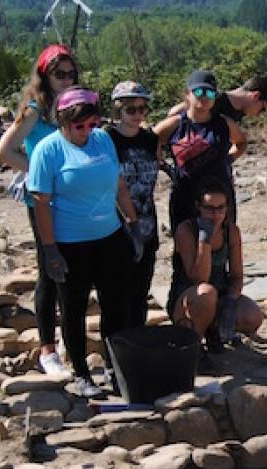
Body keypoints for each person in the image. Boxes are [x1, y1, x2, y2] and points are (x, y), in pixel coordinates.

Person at [27, 88, 142, 398]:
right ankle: (80, 371)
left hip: (109, 236)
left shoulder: (103, 140)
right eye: (79, 126)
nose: (86, 131)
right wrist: (50, 249)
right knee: (74, 308)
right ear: (63, 121)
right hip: (70, 242)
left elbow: (118, 183)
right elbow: (40, 202)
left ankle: (115, 366)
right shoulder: (48, 150)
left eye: (91, 124)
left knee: (116, 305)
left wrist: (132, 223)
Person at [0, 44, 79, 377]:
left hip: (70, 199)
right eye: (60, 74)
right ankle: (47, 349)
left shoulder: (73, 106)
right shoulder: (36, 110)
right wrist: (37, 171)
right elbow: (4, 150)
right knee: (49, 269)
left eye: (71, 74)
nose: (67, 80)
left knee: (73, 269)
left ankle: (68, 342)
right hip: (43, 199)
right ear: (45, 76)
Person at [167, 176, 264, 356]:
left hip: (219, 297)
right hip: (190, 301)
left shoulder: (231, 232)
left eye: (221, 208)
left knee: (252, 315)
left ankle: (215, 334)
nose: (216, 214)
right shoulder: (186, 230)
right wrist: (205, 240)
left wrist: (230, 301)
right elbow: (199, 278)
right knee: (206, 292)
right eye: (209, 209)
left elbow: (236, 275)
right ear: (198, 207)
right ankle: (193, 347)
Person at [155, 70, 247, 233]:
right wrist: (160, 161)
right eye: (199, 91)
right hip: (185, 197)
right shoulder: (175, 124)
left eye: (210, 92)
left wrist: (229, 159)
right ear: (187, 94)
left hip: (218, 200)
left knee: (221, 248)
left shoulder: (224, 123)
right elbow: (150, 140)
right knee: (186, 250)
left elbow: (241, 142)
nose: (204, 96)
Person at [106, 81, 161, 327]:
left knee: (140, 293)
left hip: (148, 223)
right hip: (116, 228)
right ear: (118, 110)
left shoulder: (150, 139)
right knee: (117, 294)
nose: (138, 115)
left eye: (142, 109)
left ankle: (137, 350)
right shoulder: (107, 139)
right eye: (131, 110)